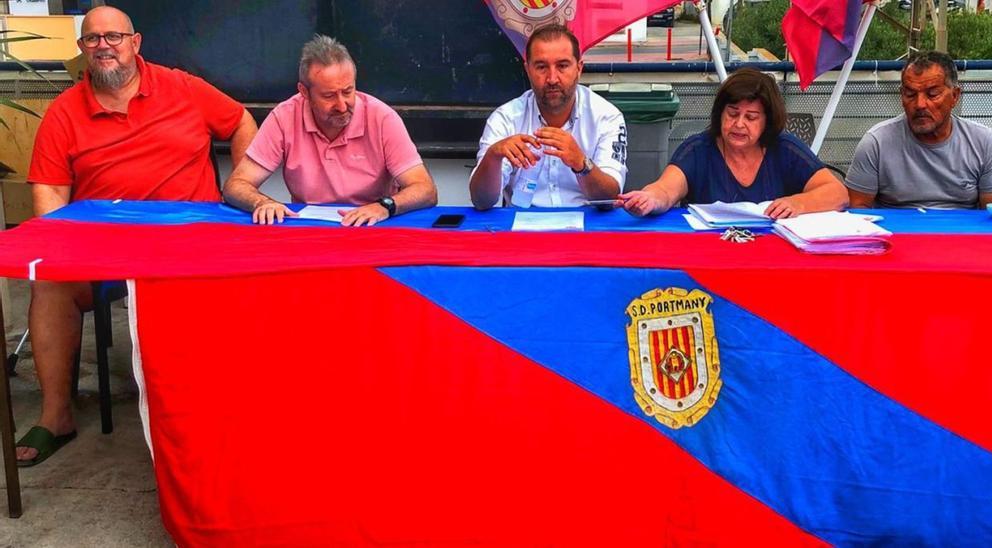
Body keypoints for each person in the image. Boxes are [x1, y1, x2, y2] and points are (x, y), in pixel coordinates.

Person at [19, 6, 258, 466]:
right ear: (82, 49)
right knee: (48, 285)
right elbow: (49, 191)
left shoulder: (183, 87)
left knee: (241, 282)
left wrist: (239, 187)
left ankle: (221, 412)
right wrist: (57, 252)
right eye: (92, 39)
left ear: (136, 42)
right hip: (102, 252)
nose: (103, 46)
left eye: (113, 36)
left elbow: (241, 123)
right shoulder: (64, 113)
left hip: (189, 243)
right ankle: (55, 417)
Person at [223, 35, 437, 225]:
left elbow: (425, 190)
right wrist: (263, 203)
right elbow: (236, 185)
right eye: (329, 96)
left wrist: (384, 206)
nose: (342, 106)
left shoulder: (382, 118)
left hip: (373, 225)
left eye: (348, 91)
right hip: (308, 228)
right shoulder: (284, 117)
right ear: (304, 92)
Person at [618, 68, 848, 218]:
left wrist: (799, 203)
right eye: (732, 113)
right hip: (712, 254)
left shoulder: (785, 148)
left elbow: (838, 193)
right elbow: (666, 189)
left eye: (750, 117)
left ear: (767, 121)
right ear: (720, 114)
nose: (739, 124)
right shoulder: (697, 149)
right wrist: (649, 198)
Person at [469, 24, 627, 209]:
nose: (552, 78)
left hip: (587, 226)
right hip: (521, 228)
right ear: (528, 70)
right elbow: (481, 202)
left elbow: (610, 198)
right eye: (541, 67)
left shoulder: (606, 116)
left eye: (562, 66)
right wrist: (493, 157)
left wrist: (581, 164)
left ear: (579, 68)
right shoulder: (506, 118)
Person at [844, 51, 992, 209]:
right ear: (901, 96)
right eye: (910, 94)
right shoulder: (876, 143)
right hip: (897, 235)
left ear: (955, 96)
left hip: (960, 235)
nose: (920, 104)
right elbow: (858, 211)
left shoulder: (983, 142)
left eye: (932, 94)